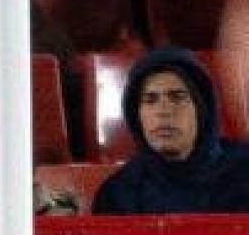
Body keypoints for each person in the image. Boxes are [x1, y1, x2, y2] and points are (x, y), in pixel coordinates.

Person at [93, 47, 249, 214]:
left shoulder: (243, 172)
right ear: (137, 116)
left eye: (177, 97)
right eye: (150, 100)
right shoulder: (118, 194)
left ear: (201, 109)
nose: (163, 111)